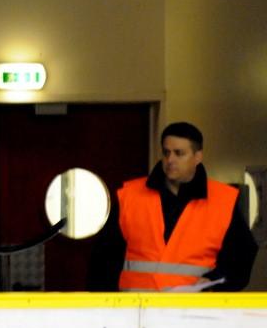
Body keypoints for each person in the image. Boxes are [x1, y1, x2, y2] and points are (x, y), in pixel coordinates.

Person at [88, 122, 258, 292]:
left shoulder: (222, 201)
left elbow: (242, 257)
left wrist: (215, 281)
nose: (170, 160)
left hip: (193, 307)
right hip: (137, 306)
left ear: (198, 157)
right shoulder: (131, 197)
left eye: (179, 153)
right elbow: (103, 259)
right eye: (166, 152)